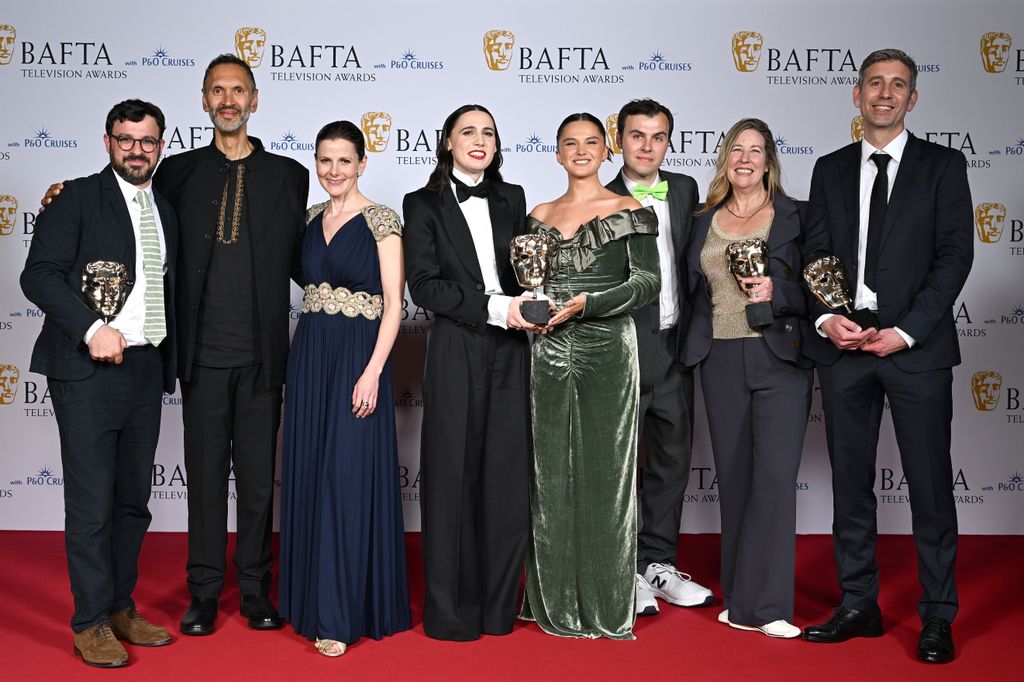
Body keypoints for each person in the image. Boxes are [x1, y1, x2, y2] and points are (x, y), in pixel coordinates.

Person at [801, 48, 973, 665]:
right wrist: (826, 318)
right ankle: (858, 603)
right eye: (875, 83)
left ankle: (937, 615)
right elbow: (814, 253)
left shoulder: (944, 166)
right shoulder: (829, 168)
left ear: (912, 99)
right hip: (845, 348)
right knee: (851, 485)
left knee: (929, 486)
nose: (885, 93)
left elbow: (955, 258)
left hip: (914, 350)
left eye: (898, 85)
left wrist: (906, 332)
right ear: (856, 94)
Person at [153, 54, 308, 636]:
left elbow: (311, 252)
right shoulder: (177, 173)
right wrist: (66, 194)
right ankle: (203, 593)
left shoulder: (289, 175)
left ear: (254, 100)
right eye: (217, 90)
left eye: (237, 90)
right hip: (200, 357)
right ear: (203, 100)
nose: (227, 100)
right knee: (206, 479)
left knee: (258, 486)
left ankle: (253, 591)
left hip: (264, 356)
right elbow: (134, 216)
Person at [21, 99, 177, 667]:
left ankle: (118, 607)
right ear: (107, 141)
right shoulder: (79, 198)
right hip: (88, 371)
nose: (137, 149)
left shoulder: (166, 204)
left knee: (133, 502)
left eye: (148, 140)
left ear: (162, 145)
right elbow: (36, 275)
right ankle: (88, 622)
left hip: (145, 367)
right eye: (126, 139)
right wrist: (91, 328)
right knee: (92, 505)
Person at [522, 113, 659, 640]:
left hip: (608, 350)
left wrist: (590, 302)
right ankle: (551, 597)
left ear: (608, 151)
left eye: (591, 143)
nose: (581, 151)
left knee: (608, 475)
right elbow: (526, 283)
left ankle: (606, 602)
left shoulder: (630, 210)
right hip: (548, 349)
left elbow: (647, 284)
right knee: (550, 472)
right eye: (569, 143)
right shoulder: (537, 216)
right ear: (556, 153)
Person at [403, 104, 535, 641]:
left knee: (506, 478)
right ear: (447, 143)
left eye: (488, 132)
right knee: (452, 476)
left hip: (510, 350)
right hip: (457, 344)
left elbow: (529, 268)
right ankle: (451, 613)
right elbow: (425, 286)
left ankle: (500, 607)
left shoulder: (513, 198)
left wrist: (532, 301)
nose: (479, 140)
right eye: (467, 132)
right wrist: (496, 306)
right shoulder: (422, 203)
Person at [278, 121, 410, 657]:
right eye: (324, 161)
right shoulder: (309, 219)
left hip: (359, 359)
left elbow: (394, 305)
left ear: (362, 163)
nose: (334, 171)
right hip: (310, 357)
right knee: (310, 472)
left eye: (344, 161)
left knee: (346, 480)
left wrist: (373, 371)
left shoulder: (382, 221)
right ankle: (307, 603)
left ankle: (339, 614)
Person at [682, 118, 813, 639]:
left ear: (769, 161)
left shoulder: (795, 216)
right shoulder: (701, 220)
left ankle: (772, 606)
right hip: (718, 358)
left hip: (778, 356)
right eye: (737, 149)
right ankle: (738, 598)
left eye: (755, 150)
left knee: (775, 481)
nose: (745, 158)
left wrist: (776, 293)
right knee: (734, 479)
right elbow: (691, 291)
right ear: (725, 158)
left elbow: (819, 286)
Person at [605, 98, 712, 615]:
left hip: (675, 346)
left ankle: (658, 564)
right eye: (637, 135)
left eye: (658, 136)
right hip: (622, 350)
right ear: (618, 139)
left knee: (670, 461)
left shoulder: (686, 189)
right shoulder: (599, 199)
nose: (647, 147)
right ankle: (622, 571)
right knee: (621, 466)